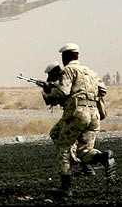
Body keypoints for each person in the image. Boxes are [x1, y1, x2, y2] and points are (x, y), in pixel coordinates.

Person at [46, 44, 115, 197]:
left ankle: (66, 188)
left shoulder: (68, 70)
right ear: (77, 55)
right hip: (94, 115)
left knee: (64, 148)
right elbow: (103, 90)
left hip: (77, 114)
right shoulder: (90, 72)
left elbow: (63, 92)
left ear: (65, 57)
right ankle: (103, 157)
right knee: (83, 150)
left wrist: (48, 95)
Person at [41, 62, 95, 177]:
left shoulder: (65, 79)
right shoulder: (84, 73)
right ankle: (91, 163)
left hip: (75, 114)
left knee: (63, 144)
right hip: (91, 114)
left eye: (50, 75)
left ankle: (66, 183)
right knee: (82, 147)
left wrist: (46, 92)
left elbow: (58, 95)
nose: (49, 78)